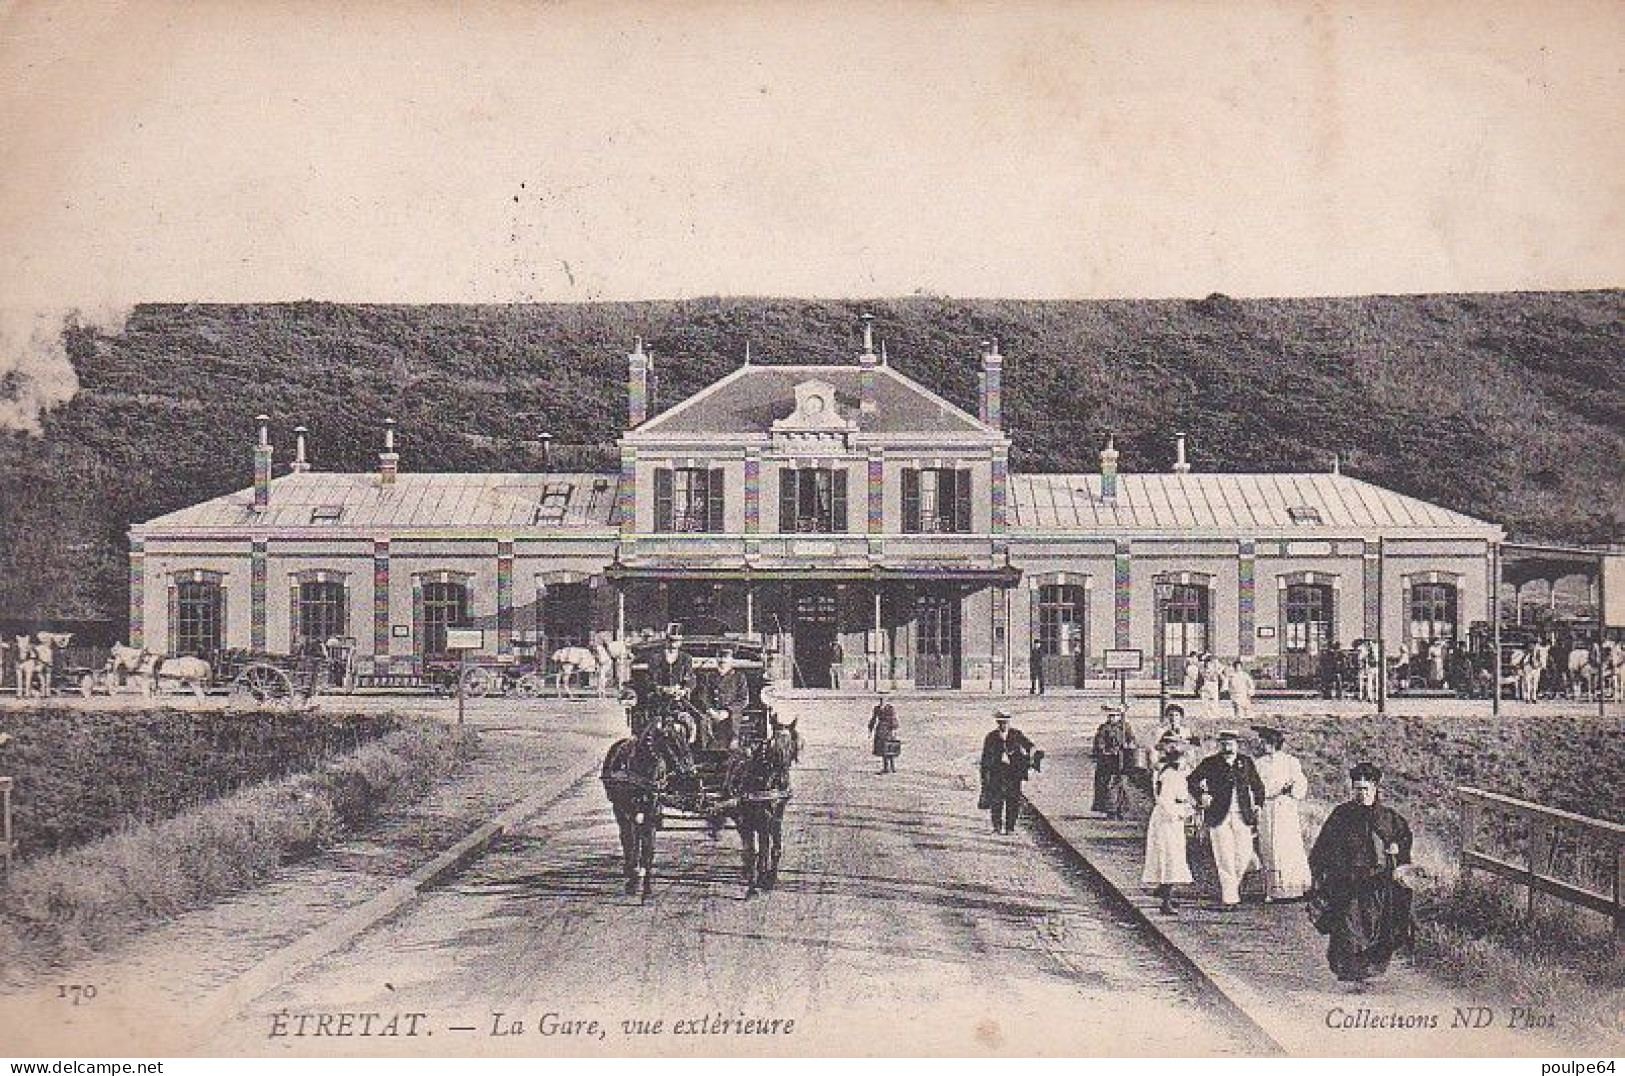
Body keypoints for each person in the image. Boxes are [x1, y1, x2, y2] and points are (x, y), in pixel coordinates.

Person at [1309, 762, 1415, 983]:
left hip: (1378, 884)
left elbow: (1403, 839)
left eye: (1366, 789)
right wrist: (1323, 870)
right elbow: (1325, 844)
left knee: (1378, 927)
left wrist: (1397, 847)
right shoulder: (1342, 814)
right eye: (1357, 789)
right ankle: (1350, 969)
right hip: (1348, 881)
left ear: (1375, 789)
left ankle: (1370, 967)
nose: (1361, 794)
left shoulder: (1388, 817)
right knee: (1349, 924)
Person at [1187, 729, 1266, 907]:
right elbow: (1192, 780)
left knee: (1244, 855)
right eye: (1223, 743)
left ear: (1237, 744)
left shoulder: (1245, 762)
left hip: (1242, 815)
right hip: (1218, 815)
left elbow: (1258, 786)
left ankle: (1232, 888)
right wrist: (1202, 796)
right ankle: (1230, 897)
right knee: (1224, 856)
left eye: (1230, 743)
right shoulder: (1210, 762)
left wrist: (1258, 804)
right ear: (1219, 744)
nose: (1227, 746)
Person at [1252, 726, 1311, 902]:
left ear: (1273, 743)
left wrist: (1291, 788)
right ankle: (1272, 889)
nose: (1262, 745)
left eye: (1265, 741)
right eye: (1261, 741)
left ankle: (1294, 888)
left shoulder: (1290, 761)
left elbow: (1300, 783)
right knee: (1269, 845)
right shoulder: (1259, 763)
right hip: (1267, 808)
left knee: (1287, 845)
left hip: (1285, 808)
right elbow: (1256, 787)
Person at [1142, 741, 1195, 915]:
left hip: (1173, 817)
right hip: (1167, 819)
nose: (1185, 762)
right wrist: (1179, 814)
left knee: (1173, 854)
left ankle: (1166, 893)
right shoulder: (1169, 775)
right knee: (1169, 856)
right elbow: (1164, 800)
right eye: (1182, 758)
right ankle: (1166, 901)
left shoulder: (1177, 773)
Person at [979, 710, 1040, 835]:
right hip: (997, 772)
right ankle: (996, 826)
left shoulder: (1016, 734)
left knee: (1013, 800)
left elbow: (1031, 746)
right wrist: (985, 777)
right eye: (1001, 723)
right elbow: (985, 758)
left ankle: (1010, 827)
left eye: (1006, 722)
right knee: (996, 800)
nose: (1003, 725)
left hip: (1013, 773)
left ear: (1009, 722)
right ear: (997, 723)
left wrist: (1030, 757)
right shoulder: (991, 737)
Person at [1090, 703, 1138, 820]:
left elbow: (1132, 740)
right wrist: (1105, 750)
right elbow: (1099, 743)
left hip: (1123, 759)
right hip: (1108, 761)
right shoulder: (1104, 728)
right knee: (1108, 784)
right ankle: (1110, 809)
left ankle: (1121, 808)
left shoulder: (1125, 727)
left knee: (1121, 783)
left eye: (1115, 715)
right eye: (1110, 716)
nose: (1113, 718)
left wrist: (1128, 745)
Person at [703, 650, 750, 749]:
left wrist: (727, 711)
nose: (722, 661)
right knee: (704, 724)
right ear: (716, 660)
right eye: (720, 658)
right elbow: (705, 696)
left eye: (726, 659)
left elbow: (743, 699)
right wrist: (710, 710)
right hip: (713, 714)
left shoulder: (739, 677)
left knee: (732, 743)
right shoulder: (710, 676)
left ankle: (733, 745)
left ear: (731, 661)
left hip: (732, 715)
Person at [868, 698, 900, 774]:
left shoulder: (890, 708)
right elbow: (873, 719)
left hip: (888, 729)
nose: (882, 702)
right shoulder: (877, 708)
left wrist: (894, 730)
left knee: (890, 748)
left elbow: (894, 718)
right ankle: (886, 768)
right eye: (881, 700)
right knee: (883, 749)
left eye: (884, 700)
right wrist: (870, 729)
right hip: (880, 730)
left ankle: (892, 767)